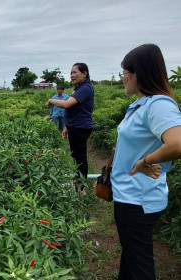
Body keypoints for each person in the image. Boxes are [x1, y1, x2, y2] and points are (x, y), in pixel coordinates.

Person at [111, 44, 181, 280]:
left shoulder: (158, 104)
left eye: (124, 72)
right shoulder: (141, 104)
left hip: (137, 200)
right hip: (129, 196)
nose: (122, 78)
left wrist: (144, 161)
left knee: (140, 266)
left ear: (137, 73)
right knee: (131, 257)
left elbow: (177, 143)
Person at [46, 63, 94, 195]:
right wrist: (67, 127)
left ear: (84, 73)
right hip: (75, 126)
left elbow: (67, 104)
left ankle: (81, 188)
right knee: (76, 157)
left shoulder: (85, 88)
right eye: (71, 73)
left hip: (80, 127)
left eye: (75, 72)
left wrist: (51, 100)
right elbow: (74, 110)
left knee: (80, 158)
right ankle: (76, 183)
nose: (72, 75)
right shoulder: (79, 88)